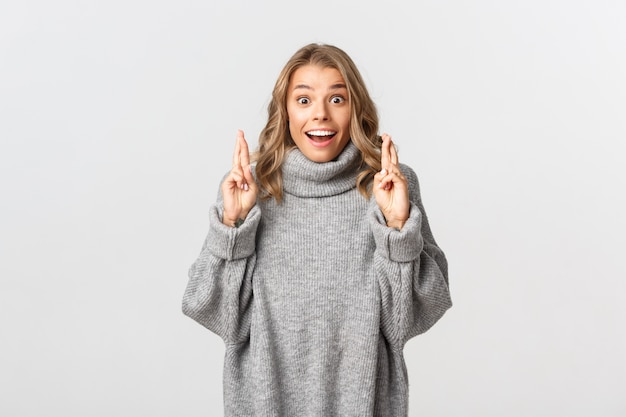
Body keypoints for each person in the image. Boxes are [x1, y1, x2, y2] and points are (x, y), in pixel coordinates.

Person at [182, 43, 452, 417]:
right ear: (286, 111)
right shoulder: (250, 189)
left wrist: (397, 230)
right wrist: (233, 229)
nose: (320, 114)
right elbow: (216, 313)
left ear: (355, 108)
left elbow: (406, 322)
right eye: (304, 100)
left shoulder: (388, 185)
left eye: (337, 99)